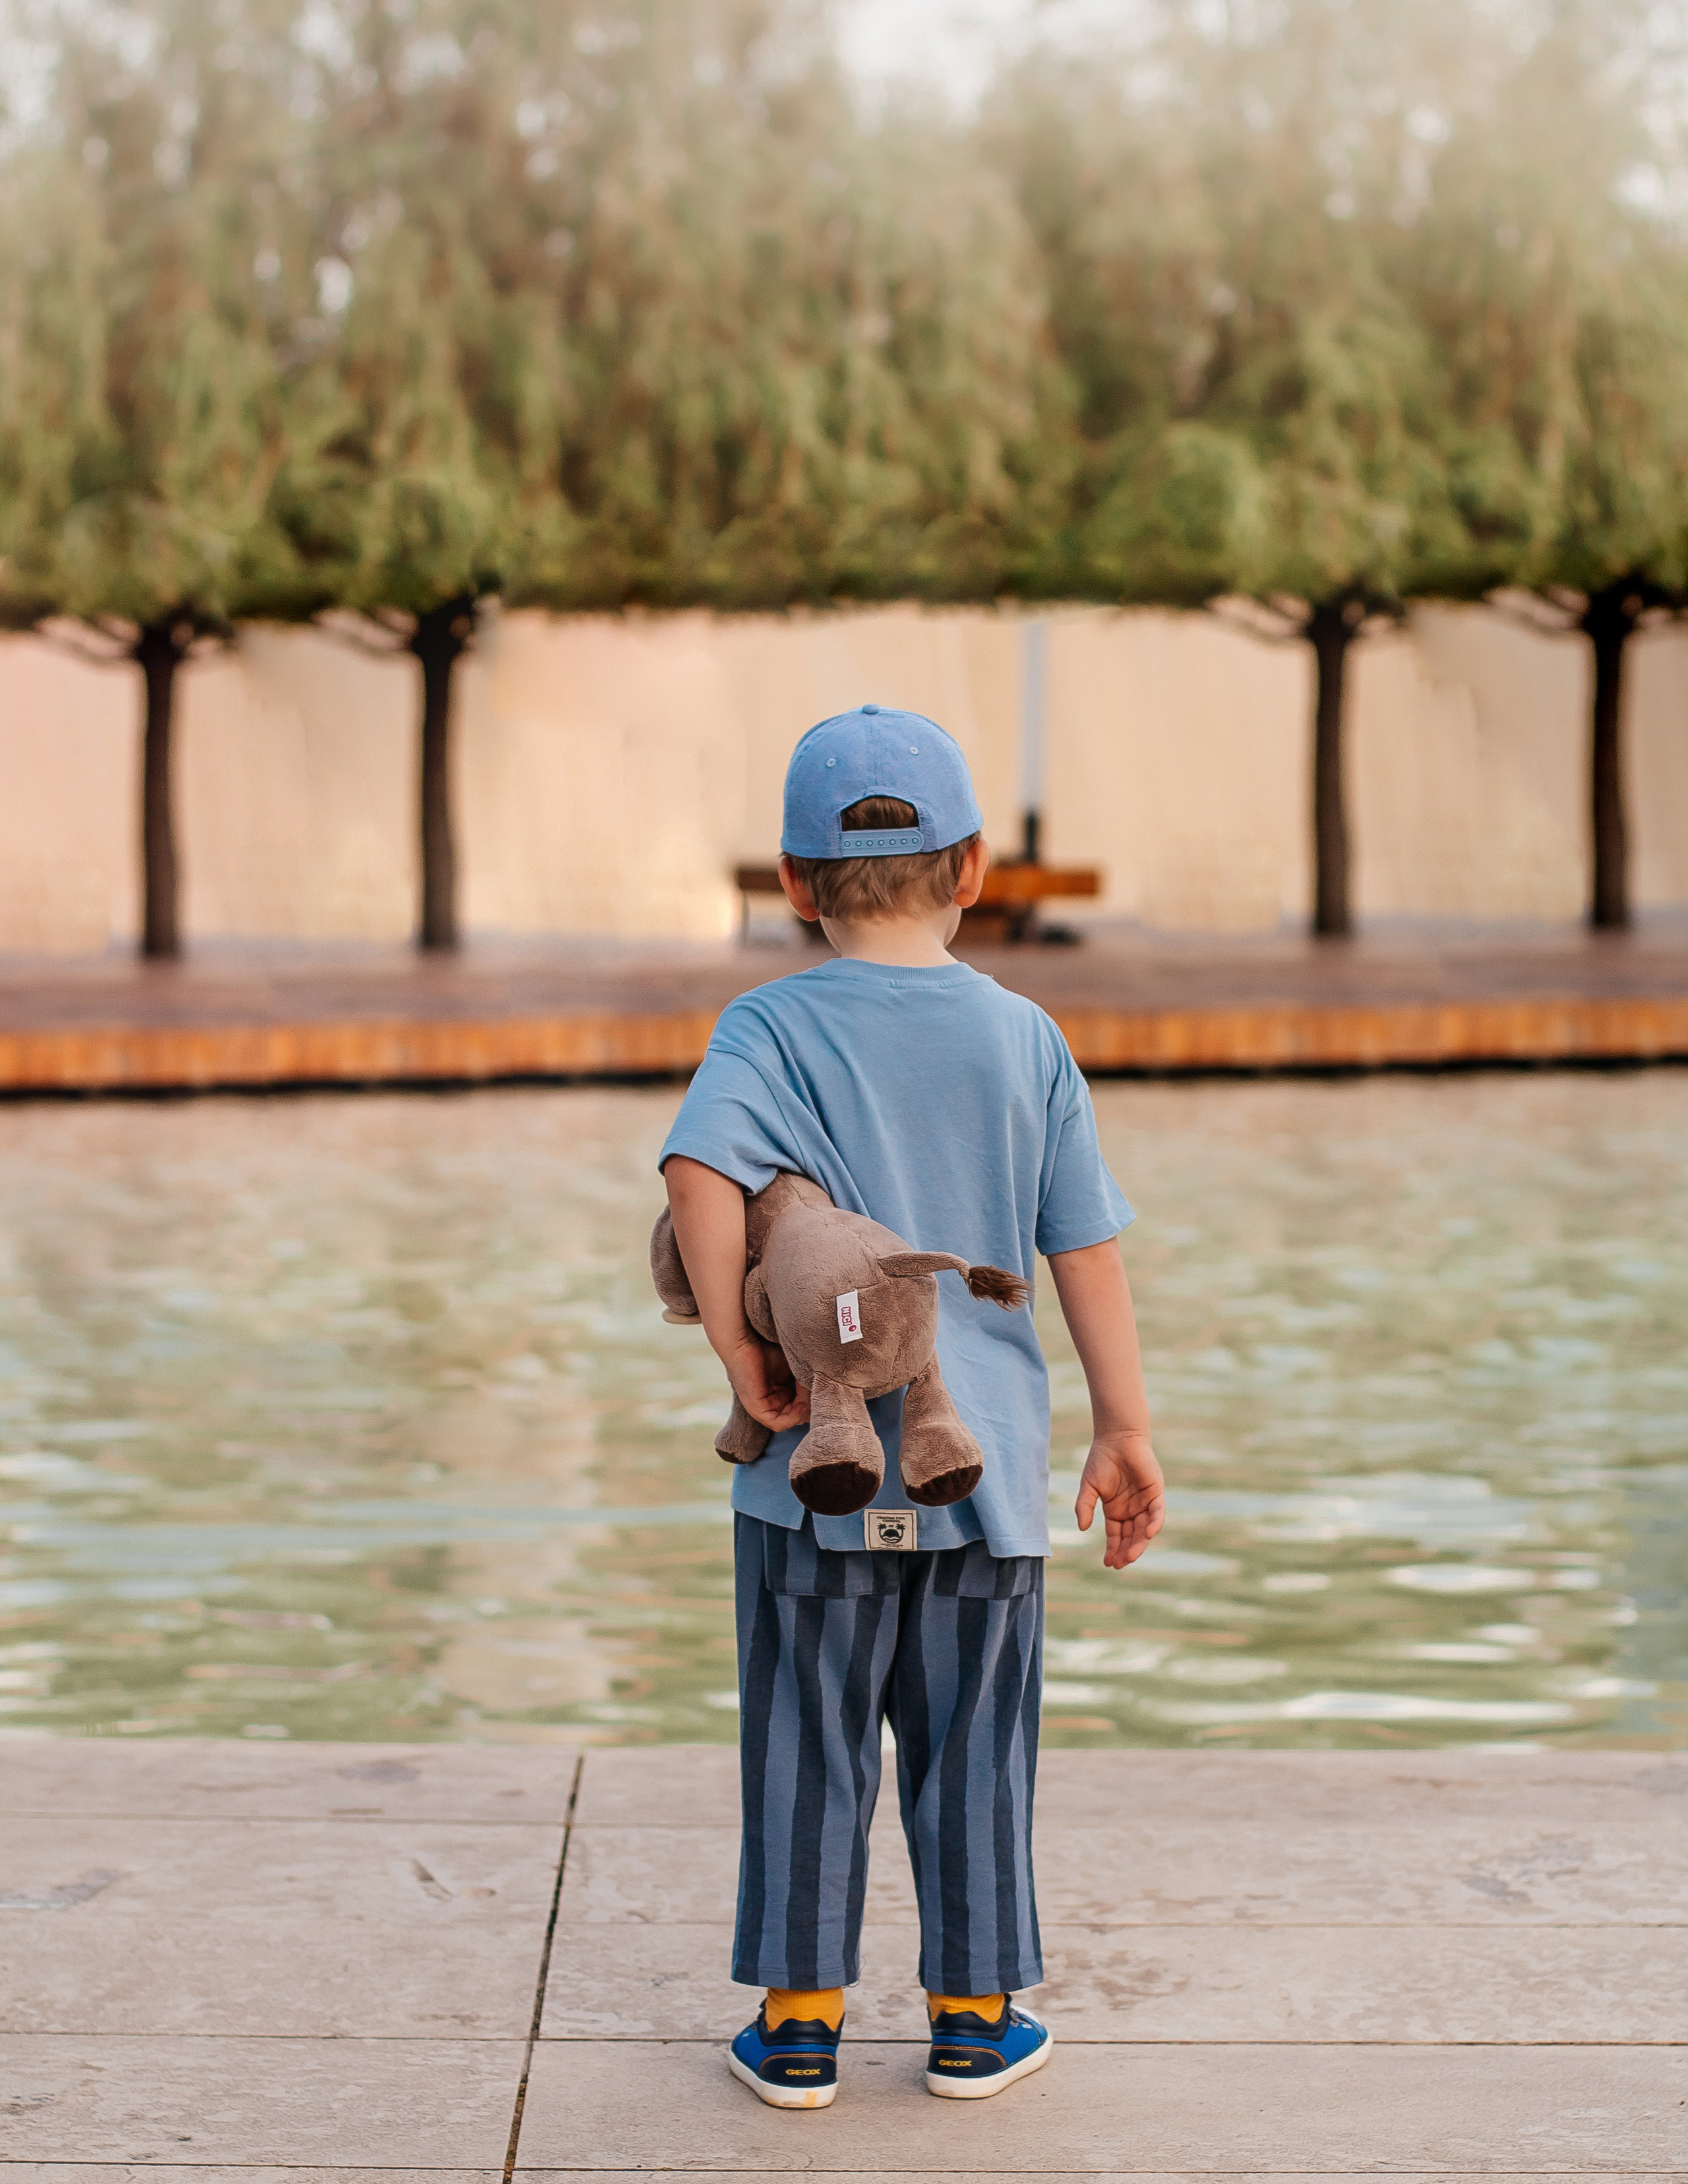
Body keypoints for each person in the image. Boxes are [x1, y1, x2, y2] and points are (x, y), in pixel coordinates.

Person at [661, 703, 1163, 2110]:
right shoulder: (1024, 1037)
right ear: (974, 868)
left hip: (808, 1480)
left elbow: (698, 1174)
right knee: (975, 1749)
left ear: (791, 881)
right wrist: (1123, 1427)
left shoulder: (766, 1024)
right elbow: (1085, 1248)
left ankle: (799, 2025)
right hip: (978, 1477)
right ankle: (972, 2019)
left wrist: (737, 1352)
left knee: (804, 1744)